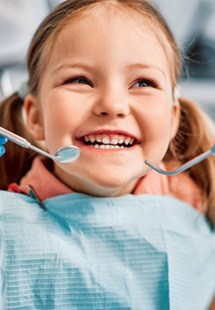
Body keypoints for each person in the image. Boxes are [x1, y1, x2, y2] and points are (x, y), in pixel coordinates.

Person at [0, 0, 215, 309]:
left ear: (173, 119)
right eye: (80, 80)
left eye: (143, 83)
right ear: (35, 118)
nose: (112, 104)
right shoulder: (10, 222)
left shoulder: (198, 206)